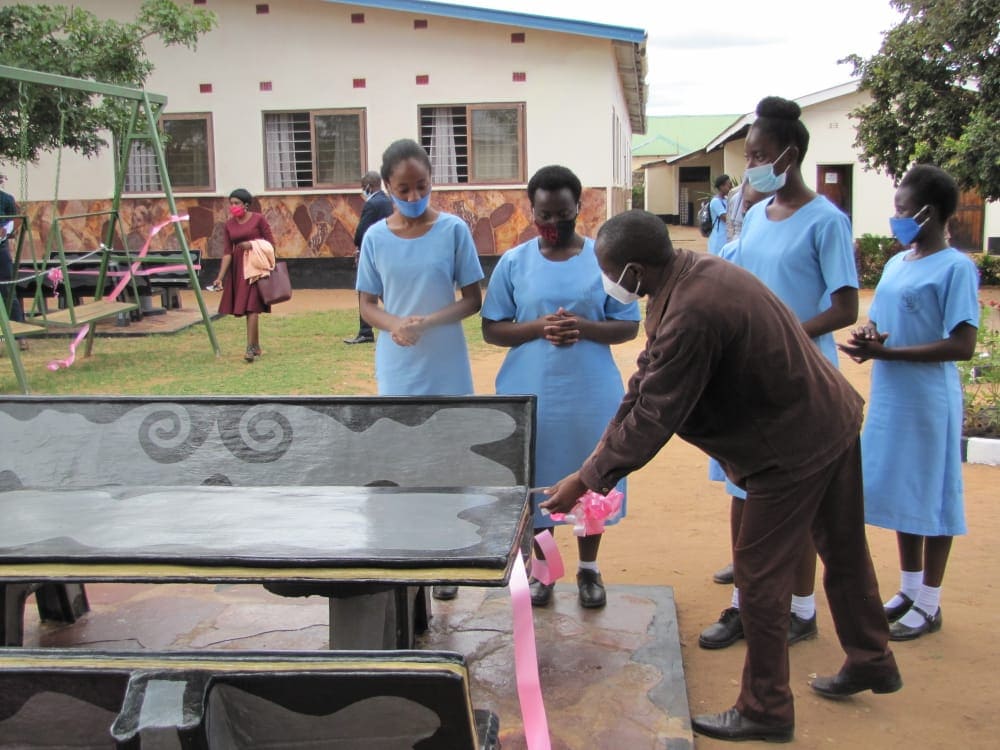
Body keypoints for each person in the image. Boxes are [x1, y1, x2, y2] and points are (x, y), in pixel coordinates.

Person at [540, 209, 900, 743]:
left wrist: (587, 479)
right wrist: (593, 463)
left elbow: (655, 414)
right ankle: (872, 657)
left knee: (758, 577)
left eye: (609, 269)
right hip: (827, 418)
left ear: (635, 271)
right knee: (844, 550)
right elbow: (644, 382)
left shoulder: (693, 312)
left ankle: (766, 708)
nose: (607, 280)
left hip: (792, 447)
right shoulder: (689, 274)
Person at [699, 96, 859, 651]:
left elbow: (845, 307)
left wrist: (788, 332)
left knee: (798, 501)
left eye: (759, 156)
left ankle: (801, 609)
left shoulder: (826, 222)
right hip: (752, 382)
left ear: (789, 155)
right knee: (744, 493)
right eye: (748, 157)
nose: (750, 168)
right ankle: (746, 604)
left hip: (801, 381)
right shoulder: (758, 220)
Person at [481, 165, 640, 609]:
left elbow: (627, 326)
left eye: (562, 215)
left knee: (591, 479)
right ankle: (543, 570)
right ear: (532, 210)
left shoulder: (603, 260)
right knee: (540, 480)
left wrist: (584, 327)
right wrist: (536, 327)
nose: (552, 225)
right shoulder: (514, 262)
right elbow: (492, 328)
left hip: (589, 395)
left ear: (579, 209)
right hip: (533, 393)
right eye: (544, 215)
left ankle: (589, 570)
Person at [839, 164, 979, 641]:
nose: (895, 219)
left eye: (902, 210)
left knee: (933, 494)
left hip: (927, 400)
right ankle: (909, 588)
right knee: (903, 491)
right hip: (891, 396)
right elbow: (881, 322)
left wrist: (890, 353)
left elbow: (961, 345)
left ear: (930, 213)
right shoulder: (899, 264)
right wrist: (868, 339)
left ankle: (931, 602)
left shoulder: (957, 267)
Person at [356, 138, 484, 601]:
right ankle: (413, 553)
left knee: (449, 454)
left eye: (422, 187)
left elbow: (473, 299)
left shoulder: (452, 231)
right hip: (398, 361)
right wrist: (395, 326)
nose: (414, 198)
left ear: (433, 183)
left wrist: (428, 321)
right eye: (404, 190)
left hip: (445, 358)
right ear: (387, 188)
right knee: (405, 456)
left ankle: (448, 554)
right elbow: (368, 305)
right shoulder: (375, 238)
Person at [705, 182, 773, 588]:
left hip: (780, 378)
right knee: (741, 483)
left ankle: (797, 604)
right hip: (741, 375)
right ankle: (744, 567)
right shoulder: (732, 252)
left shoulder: (822, 222)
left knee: (780, 485)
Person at [212, 188, 276, 363]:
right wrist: (220, 277)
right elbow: (227, 252)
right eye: (231, 203)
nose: (233, 206)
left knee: (252, 307)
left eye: (236, 203)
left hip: (256, 267)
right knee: (247, 307)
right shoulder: (229, 225)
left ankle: (249, 348)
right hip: (239, 269)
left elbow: (271, 244)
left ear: (246, 204)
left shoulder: (258, 219)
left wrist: (253, 245)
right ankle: (255, 346)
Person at [344, 171, 394, 344]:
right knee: (383, 289)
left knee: (366, 289)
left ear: (369, 186)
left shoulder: (372, 204)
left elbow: (362, 231)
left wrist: (358, 246)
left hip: (372, 253)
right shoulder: (388, 201)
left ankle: (365, 331)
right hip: (387, 252)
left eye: (362, 187)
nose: (362, 191)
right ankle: (399, 316)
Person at [0, 174, 27, 351]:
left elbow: (17, 220)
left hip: (0, 250)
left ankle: (21, 336)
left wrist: (5, 231)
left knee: (8, 290)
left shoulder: (6, 199)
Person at [707, 173, 731, 256]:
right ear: (721, 187)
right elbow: (725, 218)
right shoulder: (716, 201)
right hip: (719, 237)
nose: (730, 188)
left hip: (726, 235)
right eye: (728, 185)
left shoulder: (726, 199)